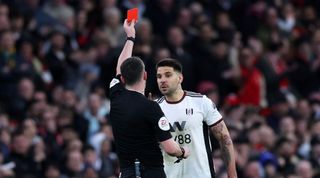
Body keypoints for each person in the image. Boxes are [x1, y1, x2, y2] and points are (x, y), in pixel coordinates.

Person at [109, 20, 189, 178]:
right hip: (150, 173)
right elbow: (170, 149)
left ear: (123, 79)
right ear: (145, 75)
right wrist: (183, 152)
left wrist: (130, 37)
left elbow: (120, 67)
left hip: (127, 173)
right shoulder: (151, 108)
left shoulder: (116, 96)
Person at [155, 59, 237, 178]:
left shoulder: (201, 102)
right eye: (159, 76)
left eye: (168, 75)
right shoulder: (154, 108)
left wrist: (232, 175)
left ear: (180, 78)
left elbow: (225, 139)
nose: (162, 80)